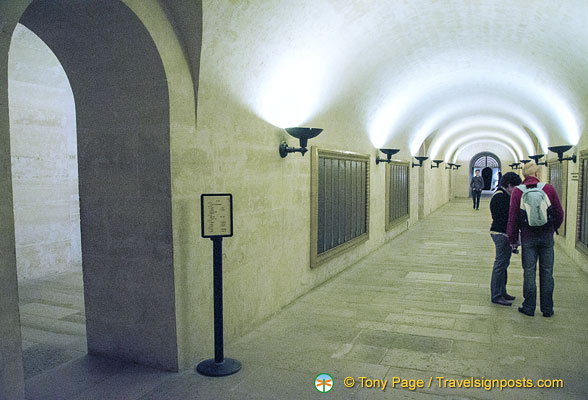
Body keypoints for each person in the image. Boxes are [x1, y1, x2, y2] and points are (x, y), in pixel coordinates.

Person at [507, 162, 564, 317]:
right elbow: (559, 212)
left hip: (528, 237)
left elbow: (513, 218)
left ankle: (529, 307)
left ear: (524, 175)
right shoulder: (548, 188)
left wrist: (512, 239)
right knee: (547, 272)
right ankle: (547, 308)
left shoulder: (518, 191)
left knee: (529, 272)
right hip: (546, 237)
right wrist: (552, 228)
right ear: (537, 174)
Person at [489, 172, 522, 306]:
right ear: (509, 185)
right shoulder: (500, 197)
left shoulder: (503, 195)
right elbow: (505, 218)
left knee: (504, 264)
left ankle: (502, 291)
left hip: (503, 233)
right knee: (500, 264)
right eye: (516, 187)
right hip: (501, 234)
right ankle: (496, 295)